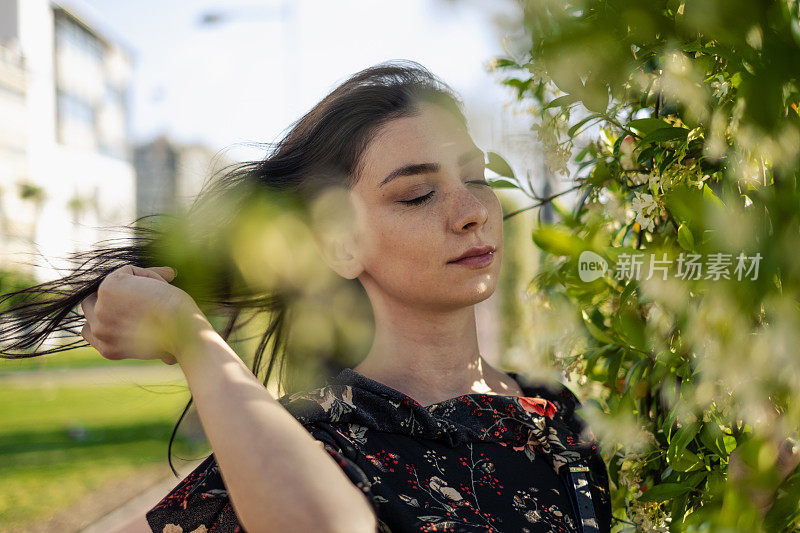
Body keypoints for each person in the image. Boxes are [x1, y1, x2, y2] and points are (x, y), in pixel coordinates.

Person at [0, 60, 611, 532]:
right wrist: (190, 336)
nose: (472, 212)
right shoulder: (301, 444)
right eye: (418, 195)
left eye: (476, 178)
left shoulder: (560, 414)